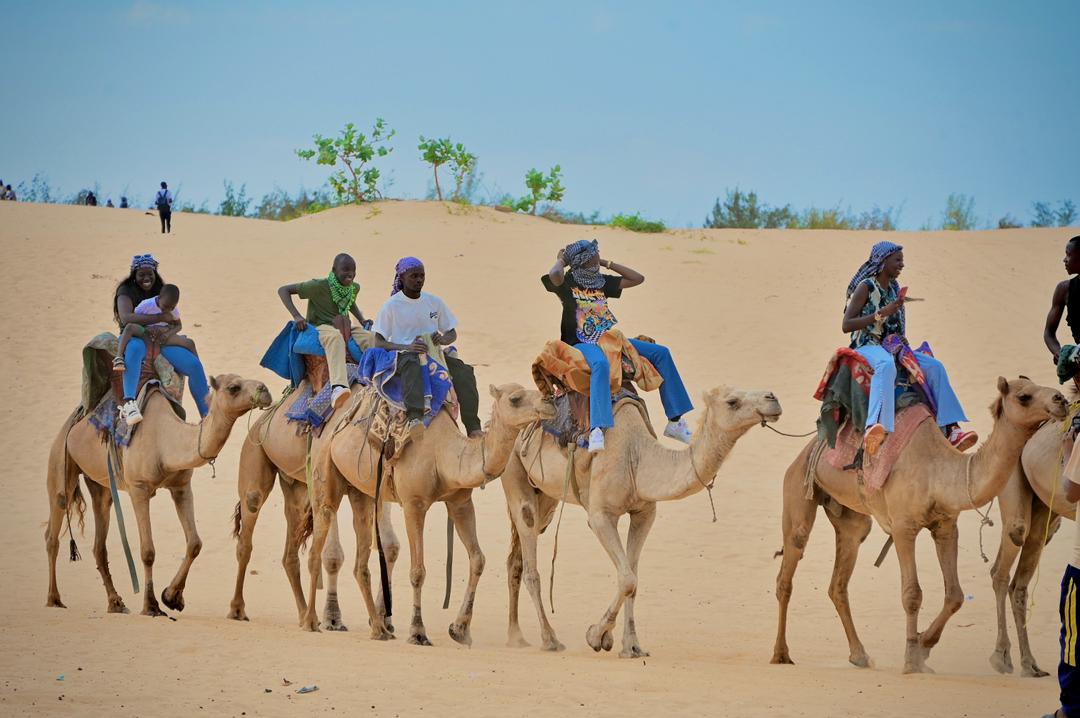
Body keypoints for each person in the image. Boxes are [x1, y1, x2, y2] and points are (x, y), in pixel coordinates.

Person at [543, 239, 694, 453]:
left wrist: (606, 262)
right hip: (579, 343)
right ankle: (597, 428)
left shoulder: (600, 281)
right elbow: (554, 276)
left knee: (661, 353)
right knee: (601, 365)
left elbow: (637, 279)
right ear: (585, 259)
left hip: (608, 339)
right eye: (595, 253)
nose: (598, 254)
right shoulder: (567, 283)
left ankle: (675, 420)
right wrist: (561, 259)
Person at [841, 241, 976, 453]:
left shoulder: (894, 289)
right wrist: (880, 314)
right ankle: (875, 427)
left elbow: (894, 326)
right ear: (883, 261)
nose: (902, 264)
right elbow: (846, 325)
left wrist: (901, 339)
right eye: (897, 260)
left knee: (934, 367)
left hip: (890, 346)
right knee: (886, 366)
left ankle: (952, 428)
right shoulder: (866, 286)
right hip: (867, 344)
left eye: (902, 260)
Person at [371, 257, 482, 437]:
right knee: (412, 366)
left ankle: (473, 427)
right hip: (404, 354)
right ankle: (415, 417)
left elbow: (451, 332)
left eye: (422, 276)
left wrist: (444, 339)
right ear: (402, 278)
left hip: (434, 354)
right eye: (414, 276)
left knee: (465, 372)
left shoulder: (434, 302)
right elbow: (379, 342)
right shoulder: (391, 306)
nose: (419, 280)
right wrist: (407, 346)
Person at [114, 254, 211, 425]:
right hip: (136, 336)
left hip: (161, 340)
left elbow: (174, 318)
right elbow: (126, 318)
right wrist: (159, 319)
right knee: (135, 350)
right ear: (134, 274)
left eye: (150, 273)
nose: (146, 278)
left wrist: (165, 330)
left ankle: (207, 414)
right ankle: (129, 402)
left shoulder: (162, 289)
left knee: (194, 365)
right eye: (141, 274)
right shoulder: (125, 291)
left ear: (155, 272)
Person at [278, 253, 374, 409]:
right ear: (334, 270)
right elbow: (283, 290)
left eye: (353, 271)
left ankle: (377, 375)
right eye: (345, 270)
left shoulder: (353, 287)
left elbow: (351, 302)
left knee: (371, 338)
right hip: (321, 325)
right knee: (335, 338)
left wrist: (362, 320)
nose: (350, 274)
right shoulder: (318, 286)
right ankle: (338, 387)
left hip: (344, 325)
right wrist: (297, 316)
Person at [113, 283, 197, 372]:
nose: (168, 310)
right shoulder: (146, 305)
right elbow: (135, 320)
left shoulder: (174, 310)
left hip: (163, 336)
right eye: (165, 307)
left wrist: (167, 334)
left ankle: (198, 369)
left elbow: (179, 326)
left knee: (190, 343)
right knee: (130, 327)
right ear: (159, 297)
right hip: (145, 332)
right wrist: (149, 328)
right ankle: (119, 357)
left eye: (172, 308)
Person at [1043, 236, 1080, 383]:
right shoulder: (1064, 290)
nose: (1064, 260)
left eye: (1069, 255)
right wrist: (1060, 354)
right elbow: (1048, 333)